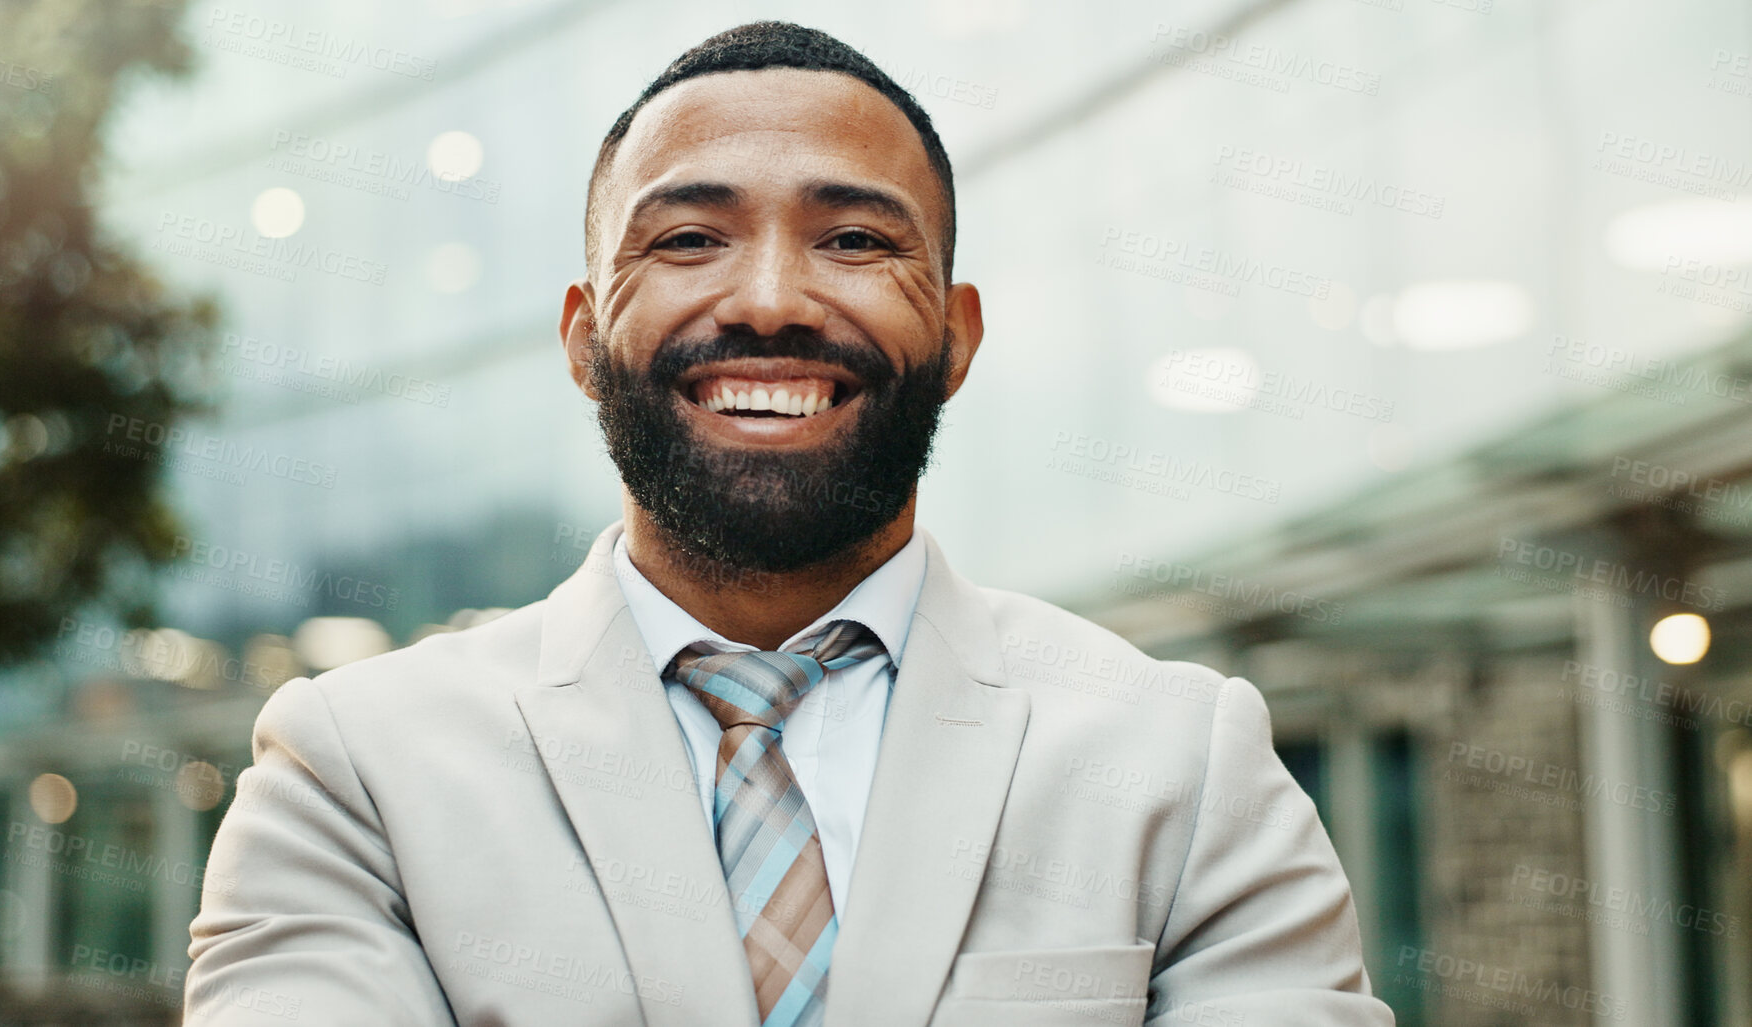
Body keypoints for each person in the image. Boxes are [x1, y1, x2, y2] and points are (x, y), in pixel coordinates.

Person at [183, 20, 1395, 1027]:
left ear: (958, 336)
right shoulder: (353, 772)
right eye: (690, 238)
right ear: (584, 337)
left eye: (856, 240)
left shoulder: (1185, 767)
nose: (769, 300)